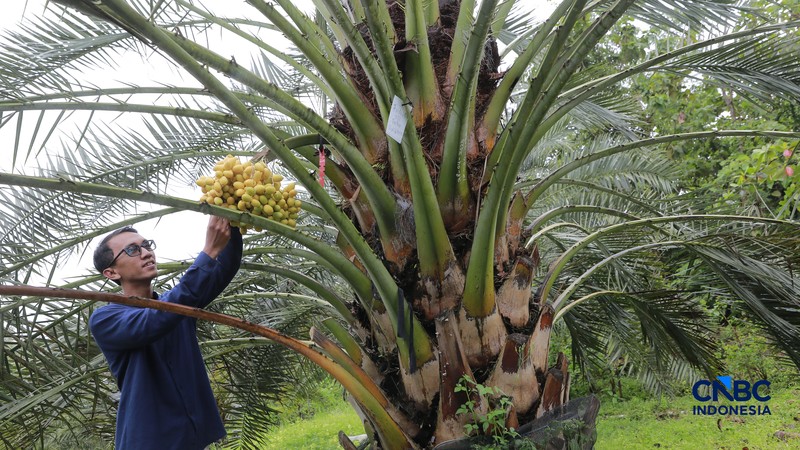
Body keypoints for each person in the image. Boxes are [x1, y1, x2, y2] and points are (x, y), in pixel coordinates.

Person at [89, 216, 242, 450]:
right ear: (111, 273)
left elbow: (223, 270)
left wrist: (231, 223)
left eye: (147, 245)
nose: (146, 253)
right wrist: (209, 250)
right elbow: (154, 320)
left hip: (191, 439)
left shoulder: (178, 305)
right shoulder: (105, 320)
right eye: (132, 250)